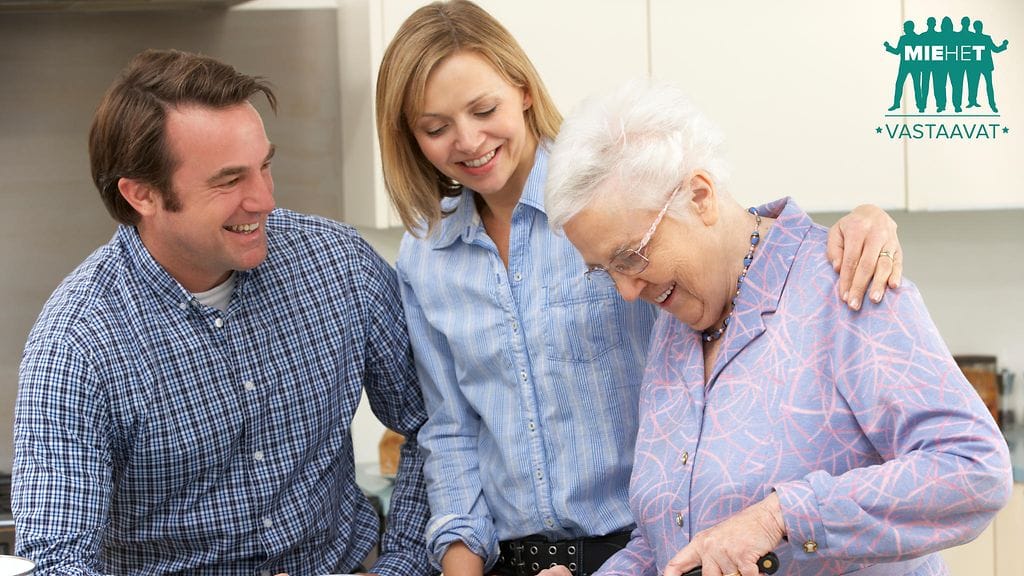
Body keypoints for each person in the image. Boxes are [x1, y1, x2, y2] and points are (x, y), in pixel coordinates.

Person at [375, 2, 905, 575]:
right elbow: (451, 430)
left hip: (646, 549)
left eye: (484, 109)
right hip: (513, 561)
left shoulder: (606, 193)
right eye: (435, 128)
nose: (468, 140)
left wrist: (862, 222)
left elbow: (719, 245)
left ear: (523, 89)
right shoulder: (425, 257)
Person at [538, 78, 1013, 576]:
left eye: (631, 257)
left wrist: (781, 516)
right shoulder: (676, 322)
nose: (626, 290)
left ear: (699, 197)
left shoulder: (845, 281)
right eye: (605, 270)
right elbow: (667, 539)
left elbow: (973, 468)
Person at [13, 49, 434, 576]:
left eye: (265, 166)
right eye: (229, 180)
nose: (263, 200)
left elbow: (431, 427)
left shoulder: (340, 265)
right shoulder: (77, 345)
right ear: (142, 194)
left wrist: (402, 567)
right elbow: (56, 562)